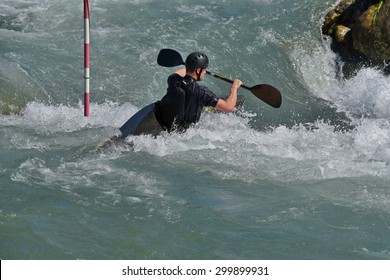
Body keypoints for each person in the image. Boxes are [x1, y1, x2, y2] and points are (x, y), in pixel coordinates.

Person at [154, 51, 243, 132]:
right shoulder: (203, 92)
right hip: (184, 133)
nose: (205, 72)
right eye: (204, 69)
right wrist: (234, 87)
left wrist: (189, 67)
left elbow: (178, 73)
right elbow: (229, 107)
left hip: (167, 123)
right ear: (198, 70)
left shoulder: (173, 80)